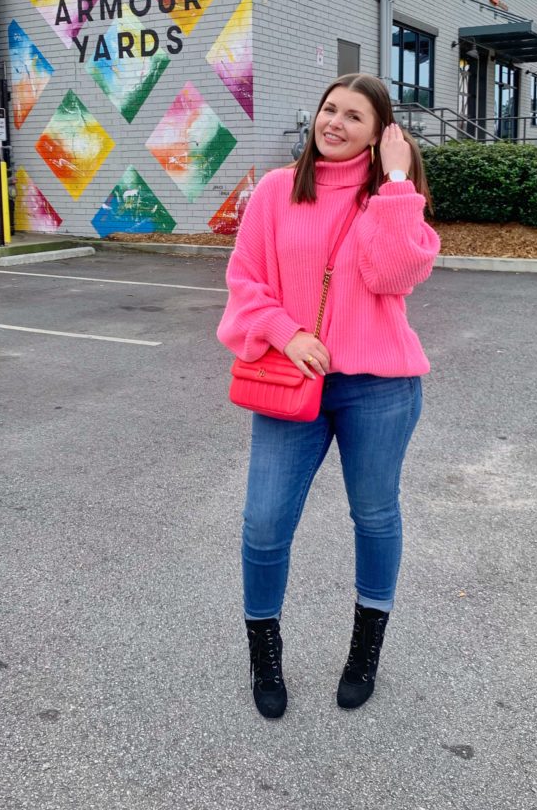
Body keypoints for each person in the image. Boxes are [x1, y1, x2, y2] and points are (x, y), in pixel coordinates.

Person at [217, 72, 440, 718]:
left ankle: (364, 650)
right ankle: (265, 653)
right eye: (328, 109)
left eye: (354, 117)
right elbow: (244, 279)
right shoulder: (276, 192)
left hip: (381, 388)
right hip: (291, 380)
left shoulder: (389, 198)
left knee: (373, 516)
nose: (333, 122)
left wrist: (396, 183)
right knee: (263, 524)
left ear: (380, 136)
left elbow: (394, 275)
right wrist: (285, 334)